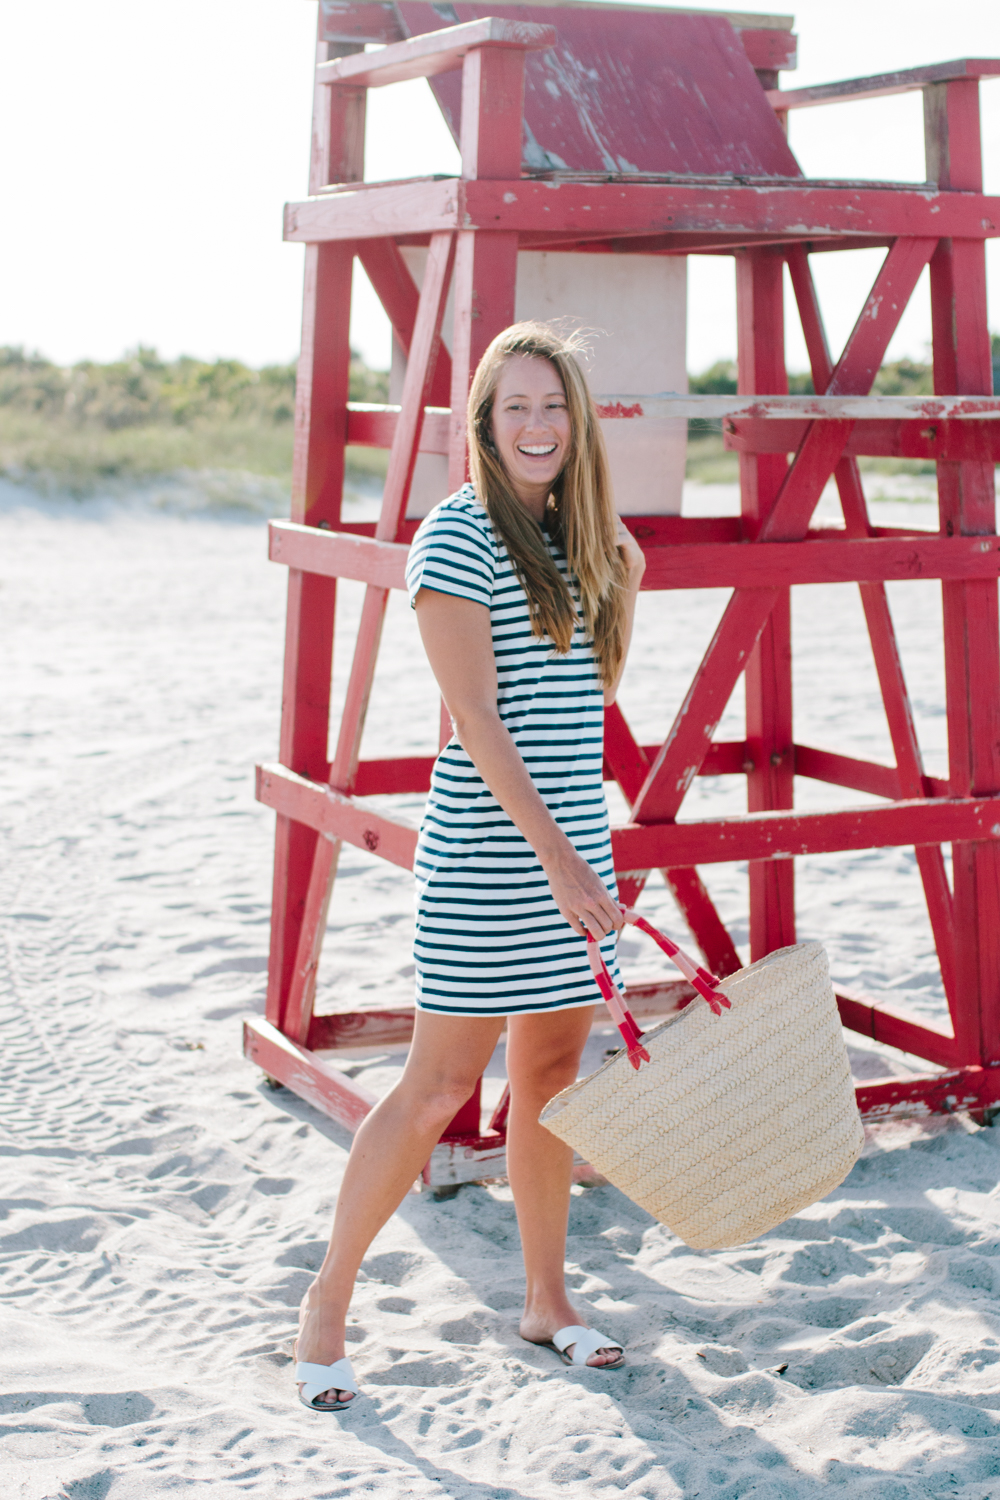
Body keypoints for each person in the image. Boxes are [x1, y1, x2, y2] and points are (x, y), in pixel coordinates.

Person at [293, 321, 647, 1412]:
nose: (537, 425)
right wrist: (557, 863)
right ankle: (324, 1304)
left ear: (576, 421)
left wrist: (623, 567)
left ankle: (548, 1301)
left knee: (549, 1082)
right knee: (439, 1086)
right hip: (494, 859)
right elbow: (478, 724)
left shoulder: (583, 541)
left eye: (554, 406)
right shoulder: (456, 533)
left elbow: (579, 711)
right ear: (486, 428)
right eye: (516, 408)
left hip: (568, 848)